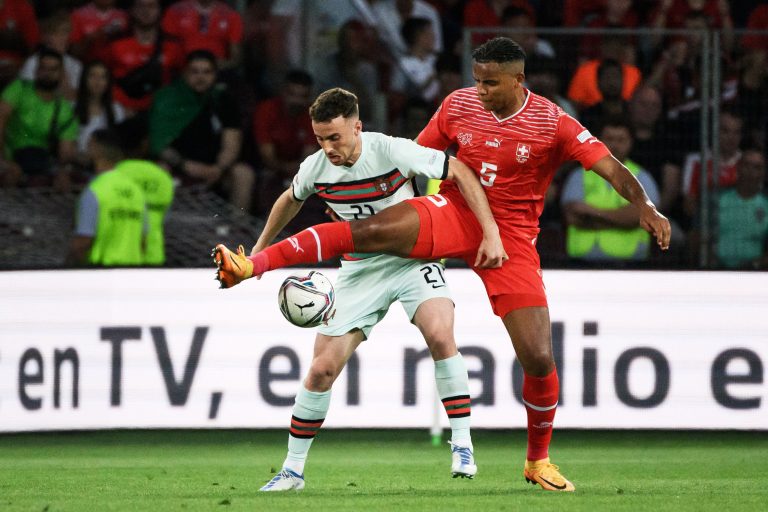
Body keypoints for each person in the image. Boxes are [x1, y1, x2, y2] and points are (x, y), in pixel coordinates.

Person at [213, 37, 671, 492]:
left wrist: (646, 206)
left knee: (538, 357)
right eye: (476, 80)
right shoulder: (457, 105)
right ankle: (254, 267)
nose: (481, 90)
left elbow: (610, 167)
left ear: (518, 79)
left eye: (491, 83)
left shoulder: (553, 122)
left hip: (511, 237)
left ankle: (538, 460)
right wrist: (383, 205)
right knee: (369, 230)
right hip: (451, 213)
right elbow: (415, 161)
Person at [255, 87, 504, 491]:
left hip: (413, 260)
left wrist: (489, 232)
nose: (328, 147)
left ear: (357, 126)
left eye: (334, 137)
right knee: (321, 370)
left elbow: (457, 170)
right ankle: (292, 471)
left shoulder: (390, 150)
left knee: (440, 335)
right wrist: (261, 250)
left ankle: (462, 443)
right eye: (320, 138)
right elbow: (291, 198)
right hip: (359, 271)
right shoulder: (316, 167)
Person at [150, 49, 254, 212]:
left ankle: (236, 230)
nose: (201, 77)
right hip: (179, 165)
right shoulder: (167, 99)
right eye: (195, 72)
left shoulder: (223, 99)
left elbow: (232, 142)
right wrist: (186, 165)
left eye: (207, 72)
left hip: (216, 169)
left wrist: (218, 168)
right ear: (185, 73)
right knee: (158, 170)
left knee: (243, 174)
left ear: (215, 75)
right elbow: (160, 145)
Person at [561, 119, 661, 263]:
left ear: (631, 142)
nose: (615, 145)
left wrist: (591, 214)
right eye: (610, 139)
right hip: (582, 266)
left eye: (621, 140)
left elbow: (643, 216)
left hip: (631, 267)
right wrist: (622, 219)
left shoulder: (642, 177)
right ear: (597, 141)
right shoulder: (578, 175)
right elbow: (572, 216)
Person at [0, 47, 78, 189]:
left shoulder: (64, 109)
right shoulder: (19, 88)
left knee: (62, 181)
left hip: (40, 161)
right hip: (7, 156)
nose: (47, 74)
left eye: (53, 69)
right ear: (36, 71)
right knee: (12, 173)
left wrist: (62, 172)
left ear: (61, 74)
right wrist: (3, 161)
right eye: (43, 68)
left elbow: (65, 151)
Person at [66, 128, 146, 266]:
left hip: (102, 272)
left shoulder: (95, 190)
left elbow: (83, 241)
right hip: (132, 273)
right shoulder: (136, 190)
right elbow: (143, 241)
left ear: (95, 148)